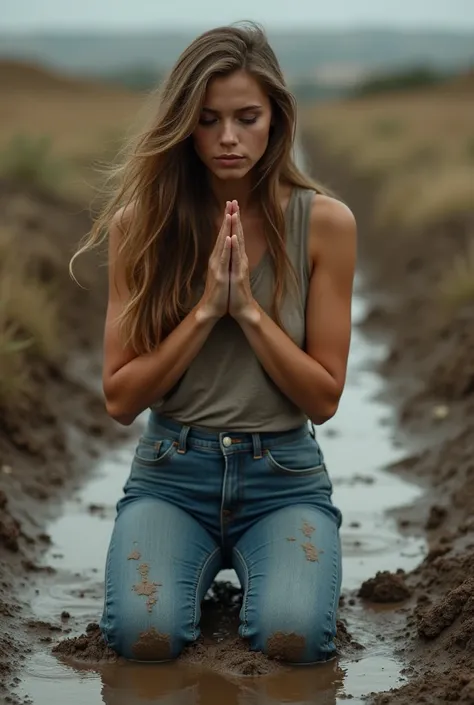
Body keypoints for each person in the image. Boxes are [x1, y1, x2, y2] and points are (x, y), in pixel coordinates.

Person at [71, 21, 356, 665]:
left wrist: (248, 312)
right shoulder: (141, 225)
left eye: (247, 117)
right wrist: (204, 312)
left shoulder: (325, 224)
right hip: (173, 475)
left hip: (283, 477)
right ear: (183, 125)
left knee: (294, 642)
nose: (228, 138)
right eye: (206, 119)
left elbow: (324, 399)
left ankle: (265, 574)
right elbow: (120, 399)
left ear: (276, 119)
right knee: (145, 640)